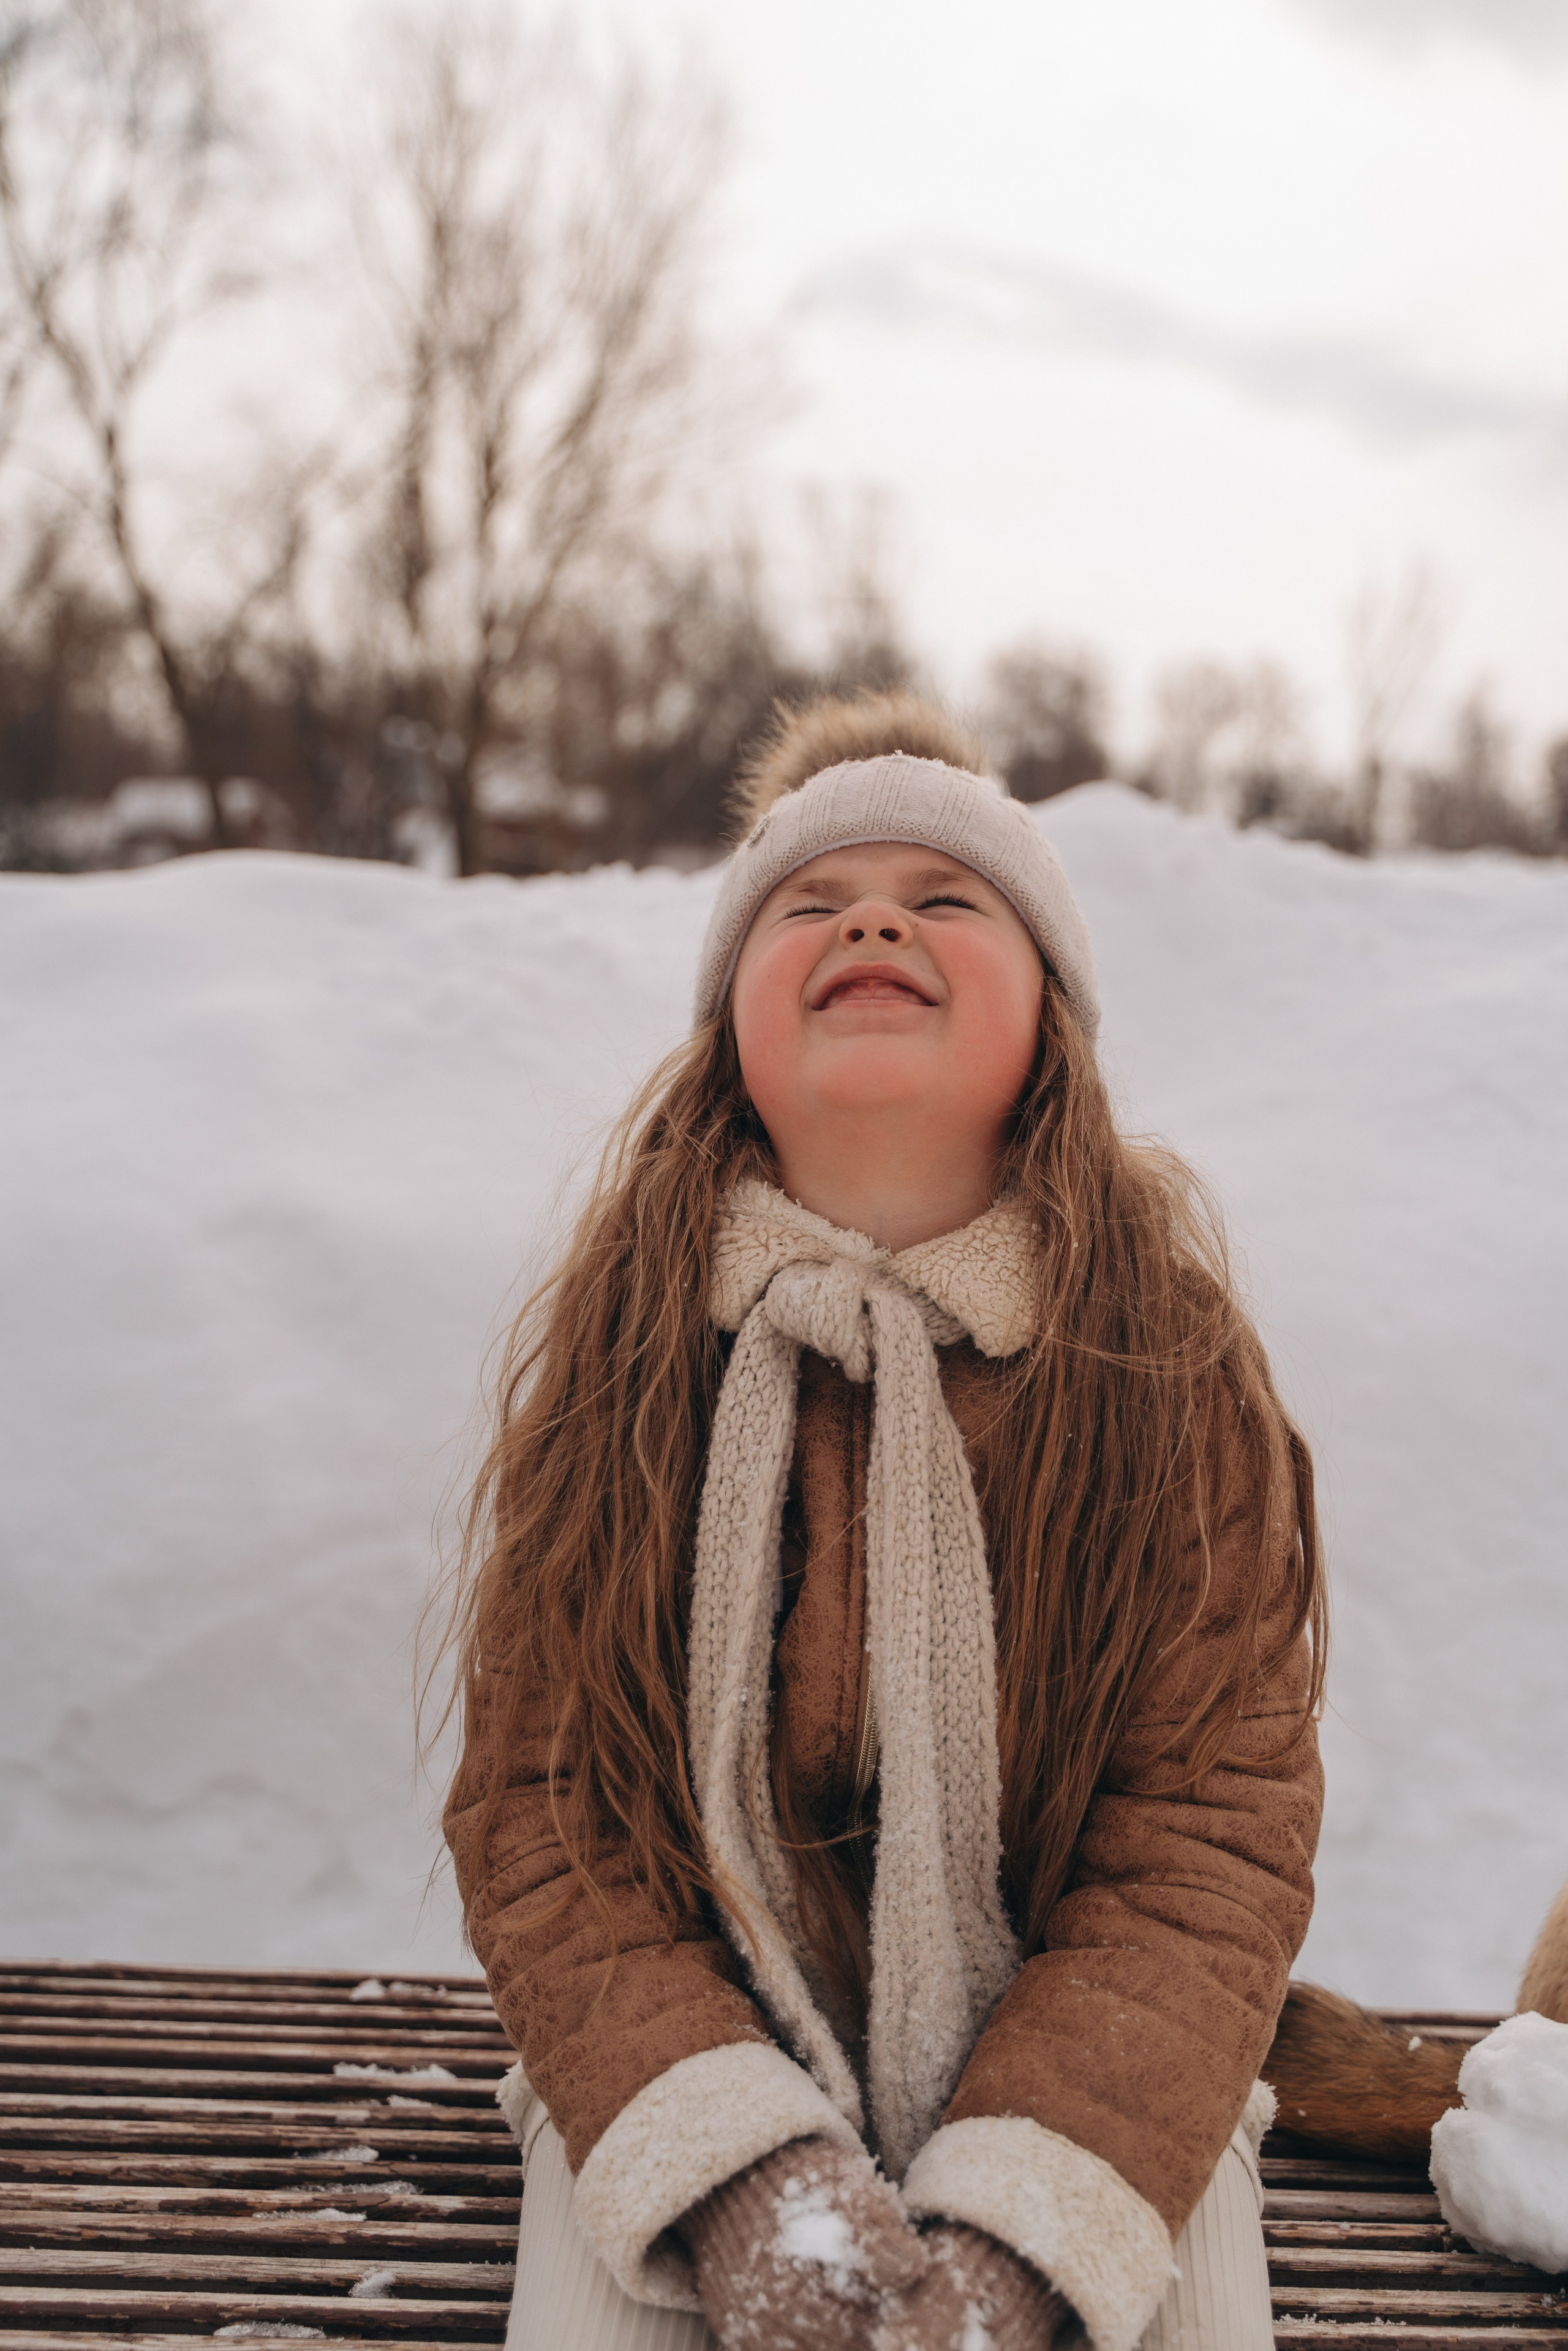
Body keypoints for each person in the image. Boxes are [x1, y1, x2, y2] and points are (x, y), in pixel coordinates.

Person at [442, 692, 1325, 2351]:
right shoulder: (638, 1337)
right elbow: (545, 1809)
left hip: (1101, 2083)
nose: (871, 923)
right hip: (679, 2067)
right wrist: (747, 2181)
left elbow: (1208, 1834)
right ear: (730, 1027)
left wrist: (1015, 2238)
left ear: (1050, 1017)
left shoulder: (1159, 1358)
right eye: (812, 901)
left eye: (943, 897)